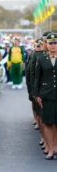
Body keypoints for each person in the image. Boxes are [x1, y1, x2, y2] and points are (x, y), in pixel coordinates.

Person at [35, 32, 57, 160]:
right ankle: (49, 148)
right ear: (47, 45)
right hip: (46, 95)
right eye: (51, 43)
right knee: (47, 122)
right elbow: (37, 78)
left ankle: (55, 146)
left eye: (55, 43)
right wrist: (37, 94)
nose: (53, 45)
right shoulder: (41, 58)